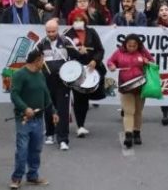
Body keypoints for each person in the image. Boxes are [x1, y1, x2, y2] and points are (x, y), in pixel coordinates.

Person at [9, 49, 58, 189]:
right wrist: (25, 108)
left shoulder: (40, 75)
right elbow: (14, 95)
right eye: (42, 60)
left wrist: (53, 111)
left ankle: (32, 176)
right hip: (24, 119)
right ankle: (16, 178)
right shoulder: (20, 75)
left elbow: (46, 95)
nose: (44, 63)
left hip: (38, 119)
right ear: (37, 60)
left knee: (36, 149)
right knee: (22, 150)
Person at [34, 19, 79, 150]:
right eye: (48, 31)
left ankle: (63, 139)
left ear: (58, 30)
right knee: (48, 107)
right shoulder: (41, 43)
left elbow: (76, 57)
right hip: (46, 81)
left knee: (63, 109)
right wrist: (39, 63)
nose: (51, 33)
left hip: (63, 81)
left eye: (53, 31)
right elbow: (31, 58)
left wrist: (72, 71)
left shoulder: (66, 41)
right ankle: (50, 133)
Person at [107, 33, 154, 148]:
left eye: (134, 46)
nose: (132, 48)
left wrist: (147, 62)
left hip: (141, 85)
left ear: (138, 45)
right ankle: (128, 135)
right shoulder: (119, 52)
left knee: (138, 111)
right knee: (129, 111)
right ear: (125, 44)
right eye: (129, 45)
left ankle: (137, 133)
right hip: (126, 86)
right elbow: (110, 61)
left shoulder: (143, 52)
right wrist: (112, 66)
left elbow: (153, 62)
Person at [63, 10, 106, 136]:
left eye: (80, 19)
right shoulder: (67, 35)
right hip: (75, 71)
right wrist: (77, 53)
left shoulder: (92, 32)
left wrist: (95, 60)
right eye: (75, 20)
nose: (78, 22)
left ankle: (82, 122)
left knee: (85, 99)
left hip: (90, 69)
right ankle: (80, 125)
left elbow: (100, 50)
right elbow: (64, 52)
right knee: (78, 98)